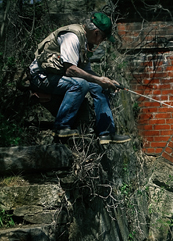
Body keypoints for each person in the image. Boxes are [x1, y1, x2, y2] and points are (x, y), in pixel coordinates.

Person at [29, 12, 130, 144]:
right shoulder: (72, 37)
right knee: (80, 84)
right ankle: (61, 127)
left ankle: (106, 133)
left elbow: (86, 71)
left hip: (58, 77)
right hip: (40, 78)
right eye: (104, 37)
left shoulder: (84, 41)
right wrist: (99, 79)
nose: (103, 41)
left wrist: (105, 81)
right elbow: (70, 70)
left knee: (100, 86)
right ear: (96, 33)